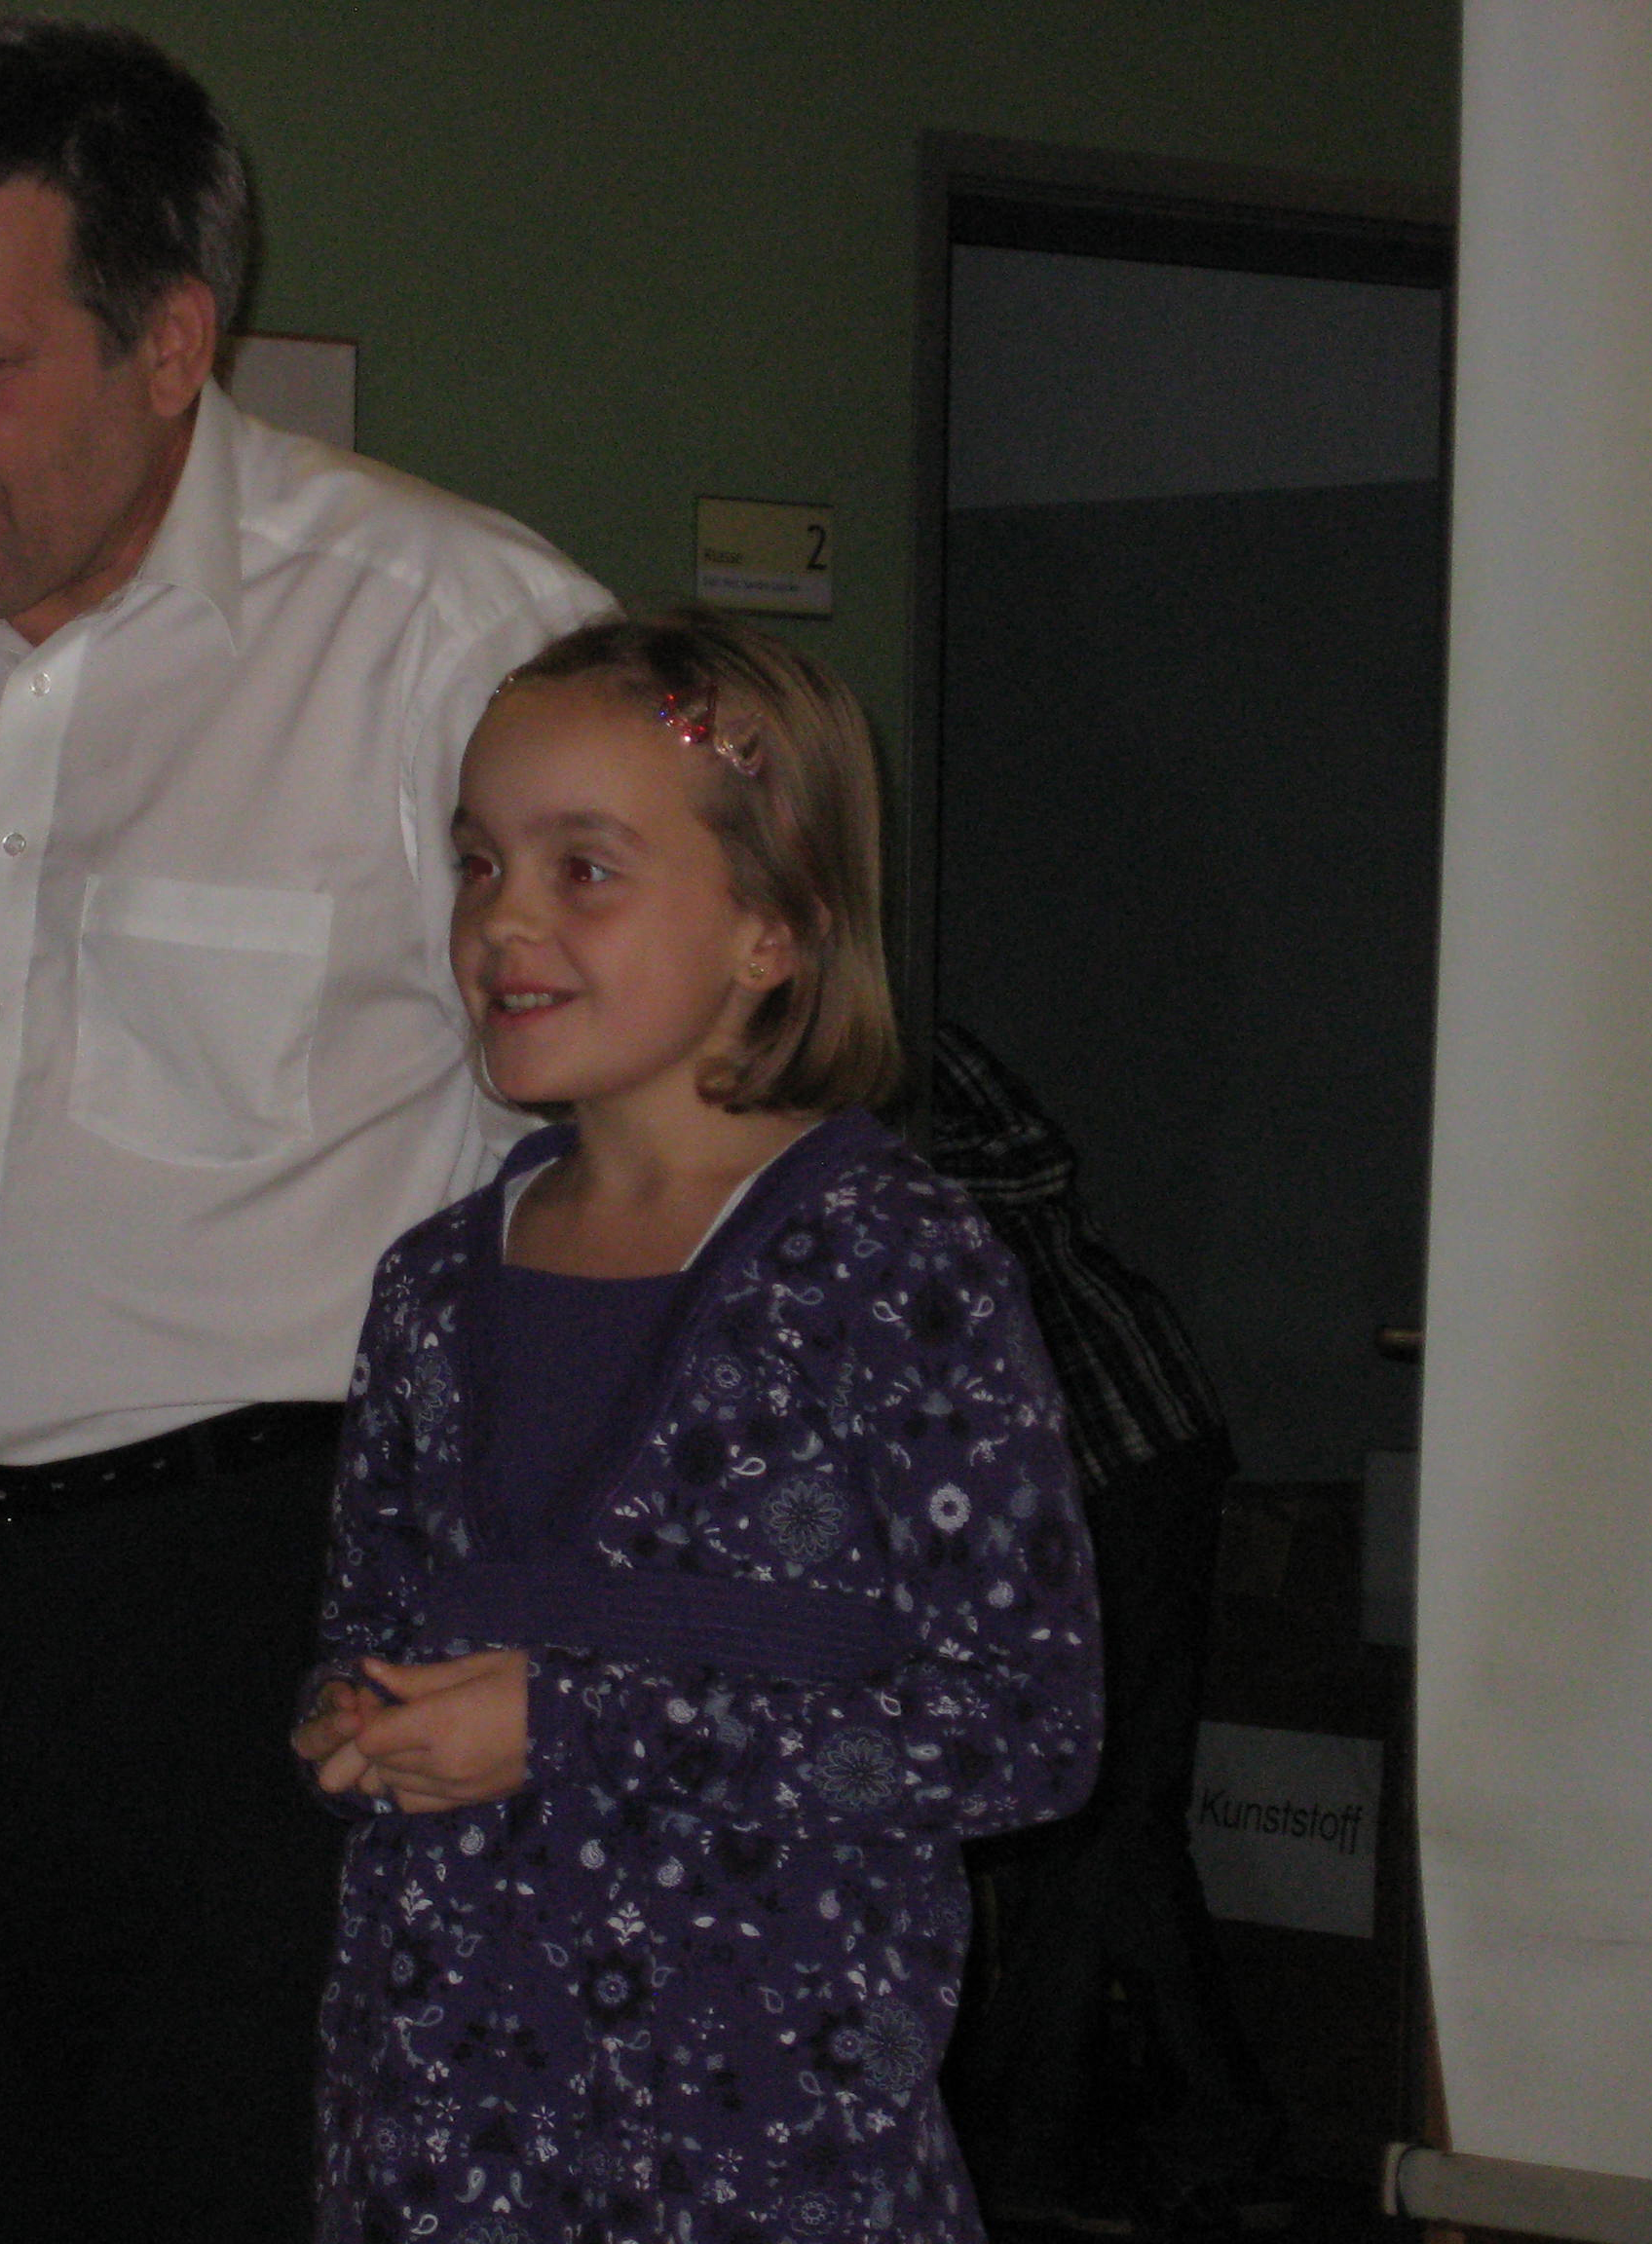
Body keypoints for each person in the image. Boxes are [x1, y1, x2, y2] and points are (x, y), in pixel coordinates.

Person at [0, 19, 610, 2243]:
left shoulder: (455, 642)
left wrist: (564, 1644)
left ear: (175, 341)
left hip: (288, 1604)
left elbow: (652, 1198)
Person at [291, 610, 1107, 2244]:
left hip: (770, 2159)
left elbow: (1023, 1728)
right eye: (477, 862)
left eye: (583, 867)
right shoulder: (431, 1289)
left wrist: (576, 1724)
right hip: (442, 2145)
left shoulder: (891, 1264)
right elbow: (361, 1639)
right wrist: (354, 1722)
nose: (502, 918)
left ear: (772, 927)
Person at [928, 1022, 1290, 2239]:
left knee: (1105, 1817)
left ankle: (1077, 2145)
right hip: (1066, 1485)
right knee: (1096, 1822)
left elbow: (1036, 1160)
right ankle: (1171, 2136)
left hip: (1121, 1457)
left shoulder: (895, 1052)